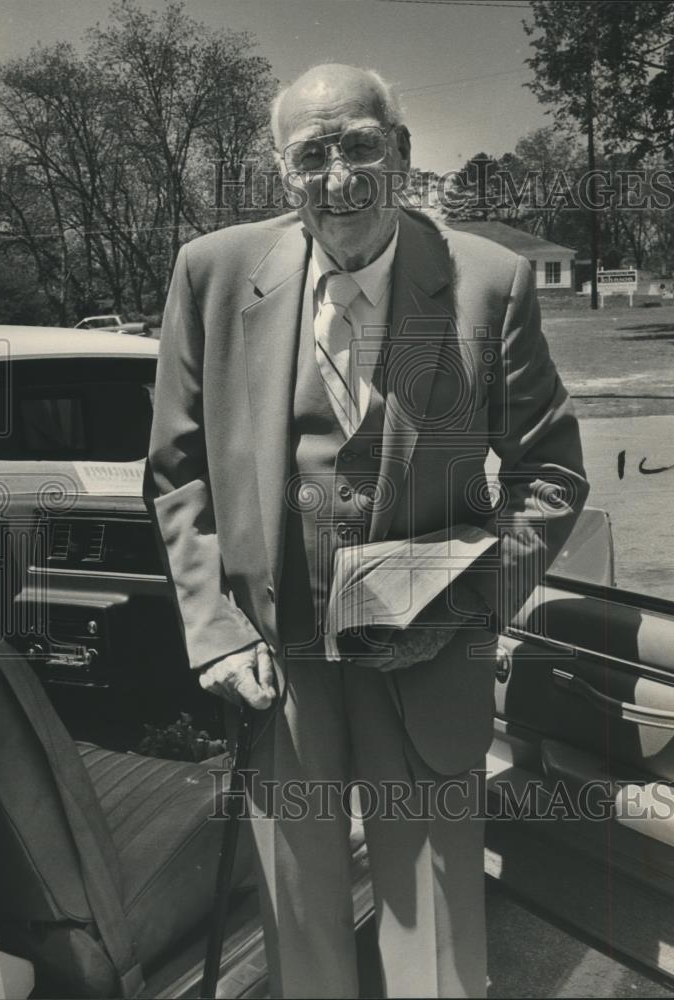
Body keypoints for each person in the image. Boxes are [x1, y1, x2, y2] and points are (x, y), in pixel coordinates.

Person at [144, 63, 590, 999]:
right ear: (281, 169)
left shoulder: (485, 284)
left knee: (433, 931)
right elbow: (178, 474)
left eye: (359, 144)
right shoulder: (214, 273)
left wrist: (463, 605)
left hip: (425, 664)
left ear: (402, 154)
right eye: (311, 154)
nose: (338, 174)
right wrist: (214, 630)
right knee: (298, 923)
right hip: (279, 664)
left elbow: (550, 477)